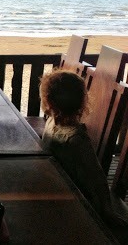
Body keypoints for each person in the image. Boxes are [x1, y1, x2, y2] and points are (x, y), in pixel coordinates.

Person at [40, 69, 128, 229]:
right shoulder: (53, 124)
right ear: (82, 103)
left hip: (80, 204)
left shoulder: (76, 139)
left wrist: (107, 212)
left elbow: (97, 178)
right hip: (60, 190)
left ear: (48, 103)